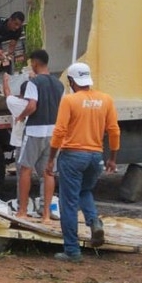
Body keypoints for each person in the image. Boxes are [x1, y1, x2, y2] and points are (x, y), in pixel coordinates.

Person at [45, 62, 120, 262]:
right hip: (95, 157)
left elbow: (59, 131)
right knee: (84, 191)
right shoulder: (106, 99)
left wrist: (51, 158)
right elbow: (114, 130)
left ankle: (72, 251)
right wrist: (112, 158)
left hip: (72, 156)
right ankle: (94, 221)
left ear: (71, 81)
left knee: (68, 203)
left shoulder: (70, 101)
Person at [13, 50, 64, 222]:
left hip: (35, 131)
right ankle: (46, 215)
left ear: (35, 62)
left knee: (25, 169)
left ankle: (22, 211)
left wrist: (21, 116)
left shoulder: (33, 83)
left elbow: (32, 106)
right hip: (54, 132)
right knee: (48, 172)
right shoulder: (59, 84)